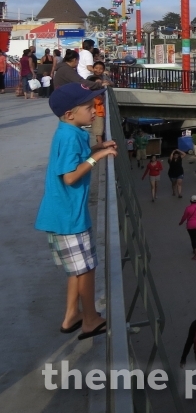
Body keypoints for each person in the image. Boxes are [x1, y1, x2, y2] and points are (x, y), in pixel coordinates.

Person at [34, 83, 117, 339]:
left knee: (78, 269)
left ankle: (72, 315)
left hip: (66, 215)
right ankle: (90, 319)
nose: (94, 111)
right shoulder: (69, 136)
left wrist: (97, 148)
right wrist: (98, 158)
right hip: (68, 217)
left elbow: (75, 158)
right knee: (86, 268)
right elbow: (70, 176)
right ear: (70, 113)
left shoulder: (71, 131)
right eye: (89, 107)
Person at [179, 195, 196, 259]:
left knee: (192, 238)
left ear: (190, 200)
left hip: (191, 225)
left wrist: (181, 222)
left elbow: (184, 217)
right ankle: (195, 249)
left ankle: (195, 253)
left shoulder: (188, 208)